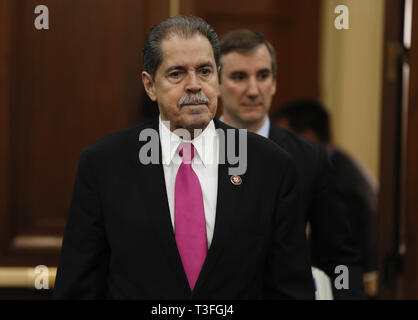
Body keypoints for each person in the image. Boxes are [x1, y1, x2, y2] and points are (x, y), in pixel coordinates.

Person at [53, 16, 314, 299]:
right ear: (150, 85)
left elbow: (290, 289)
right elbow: (78, 288)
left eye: (204, 71)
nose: (194, 85)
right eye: (177, 73)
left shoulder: (270, 166)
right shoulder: (104, 165)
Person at [218, 29, 365, 299]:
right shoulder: (192, 152)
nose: (253, 90)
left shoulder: (309, 158)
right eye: (239, 77)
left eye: (263, 76)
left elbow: (339, 257)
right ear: (215, 84)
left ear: (274, 83)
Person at [272, 99, 378, 296]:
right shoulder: (343, 163)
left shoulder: (341, 181)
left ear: (308, 136)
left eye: (284, 138)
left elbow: (340, 255)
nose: (276, 146)